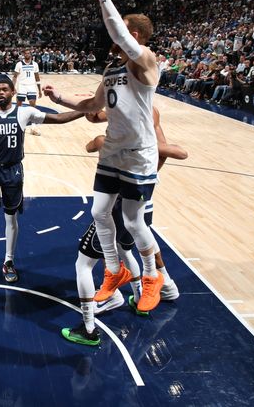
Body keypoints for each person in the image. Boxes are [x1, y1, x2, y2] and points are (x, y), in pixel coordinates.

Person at [44, 0, 164, 340]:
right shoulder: (111, 70)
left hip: (138, 153)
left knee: (132, 221)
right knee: (99, 212)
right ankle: (115, 270)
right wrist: (58, 96)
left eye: (125, 33)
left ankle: (152, 278)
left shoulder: (146, 62)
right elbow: (91, 107)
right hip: (113, 151)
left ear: (137, 37)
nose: (116, 38)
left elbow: (117, 29)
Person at [61, 107, 187, 346]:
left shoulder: (114, 141)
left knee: (84, 263)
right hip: (143, 204)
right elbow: (178, 152)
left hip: (117, 206)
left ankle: (89, 327)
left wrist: (103, 134)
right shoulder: (151, 146)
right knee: (128, 247)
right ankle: (146, 294)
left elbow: (91, 143)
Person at [0, 78, 85, 282]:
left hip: (13, 171)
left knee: (10, 217)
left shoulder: (24, 113)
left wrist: (85, 110)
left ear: (13, 92)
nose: (0, 93)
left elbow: (58, 119)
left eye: (4, 89)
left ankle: (9, 261)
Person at [12, 50, 43, 135]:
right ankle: (18, 123)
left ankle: (33, 126)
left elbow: (37, 77)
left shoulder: (35, 64)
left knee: (33, 104)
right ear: (23, 55)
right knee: (19, 104)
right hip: (22, 86)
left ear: (31, 55)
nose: (27, 54)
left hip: (31, 86)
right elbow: (15, 77)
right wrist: (12, 87)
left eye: (28, 53)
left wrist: (39, 90)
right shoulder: (19, 64)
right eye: (25, 53)